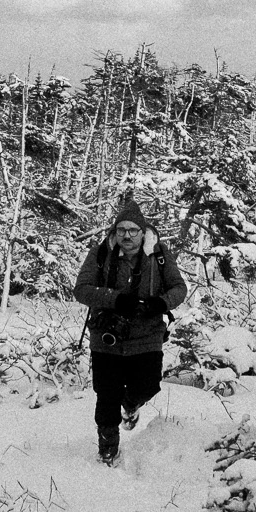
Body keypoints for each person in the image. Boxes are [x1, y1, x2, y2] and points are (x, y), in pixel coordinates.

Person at [73, 197, 188, 464]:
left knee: (148, 385)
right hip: (107, 338)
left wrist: (160, 303)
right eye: (121, 230)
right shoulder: (101, 253)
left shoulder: (159, 254)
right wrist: (114, 299)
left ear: (142, 231)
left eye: (132, 230)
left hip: (147, 336)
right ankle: (108, 445)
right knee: (106, 394)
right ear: (115, 232)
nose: (127, 236)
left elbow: (178, 288)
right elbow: (81, 289)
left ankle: (131, 404)